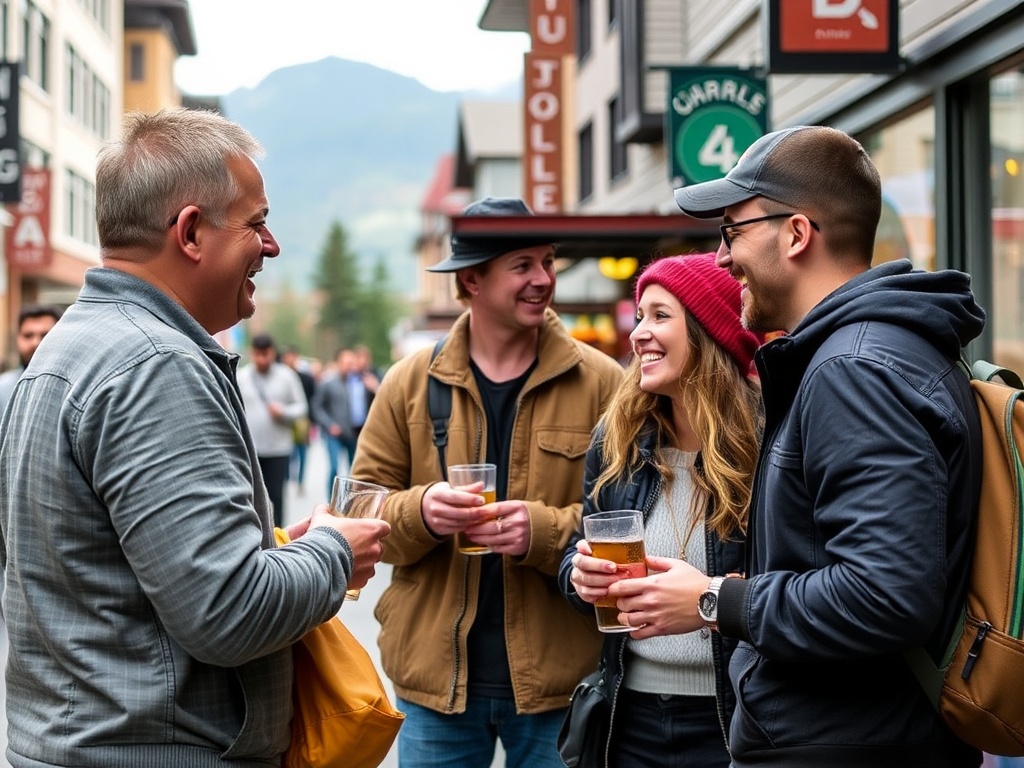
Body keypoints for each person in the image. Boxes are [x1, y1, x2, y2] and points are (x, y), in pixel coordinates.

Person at [0, 107, 390, 768]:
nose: (271, 246)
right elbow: (228, 612)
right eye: (256, 223)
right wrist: (332, 551)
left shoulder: (71, 345)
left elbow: (113, 570)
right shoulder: (156, 365)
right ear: (189, 232)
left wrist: (278, 551)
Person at [644, 124, 986, 766]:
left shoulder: (852, 370)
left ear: (797, 233)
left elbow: (885, 595)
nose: (721, 259)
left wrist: (715, 599)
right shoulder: (871, 353)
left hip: (844, 745)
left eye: (732, 232)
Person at [350, 196, 624, 768]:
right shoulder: (407, 383)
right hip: (434, 686)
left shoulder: (603, 381)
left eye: (547, 261)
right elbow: (359, 513)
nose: (543, 279)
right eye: (522, 265)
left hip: (561, 684)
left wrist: (541, 533)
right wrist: (422, 512)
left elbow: (634, 516)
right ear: (471, 280)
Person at [559, 253, 762, 767]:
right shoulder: (617, 439)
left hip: (735, 715)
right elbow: (579, 551)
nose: (638, 333)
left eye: (660, 315)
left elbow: (792, 586)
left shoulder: (770, 441)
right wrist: (578, 577)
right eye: (640, 316)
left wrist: (712, 598)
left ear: (710, 330)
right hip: (631, 717)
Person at [238, 332, 308, 527]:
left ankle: (279, 535)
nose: (261, 360)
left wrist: (284, 411)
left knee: (276, 496)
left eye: (265, 354)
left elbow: (302, 407)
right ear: (252, 353)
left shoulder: (287, 376)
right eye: (257, 354)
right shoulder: (241, 376)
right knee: (251, 498)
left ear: (273, 353)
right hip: (250, 449)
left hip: (278, 449)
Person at [0, 303, 62, 415]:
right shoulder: (2, 389)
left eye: (45, 335)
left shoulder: (74, 390)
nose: (35, 343)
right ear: (17, 339)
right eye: (28, 335)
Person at [312, 347, 357, 496]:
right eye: (345, 363)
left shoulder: (357, 384)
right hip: (333, 434)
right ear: (338, 363)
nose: (348, 366)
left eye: (351, 363)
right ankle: (331, 500)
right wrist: (329, 424)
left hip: (353, 433)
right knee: (334, 467)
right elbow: (317, 407)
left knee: (355, 470)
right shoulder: (327, 383)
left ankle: (351, 500)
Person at [280, 345, 317, 495]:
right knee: (288, 453)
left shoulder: (306, 378)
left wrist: (311, 421)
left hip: (302, 421)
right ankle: (288, 480)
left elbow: (313, 400)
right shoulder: (280, 378)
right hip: (285, 421)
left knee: (302, 453)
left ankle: (300, 481)